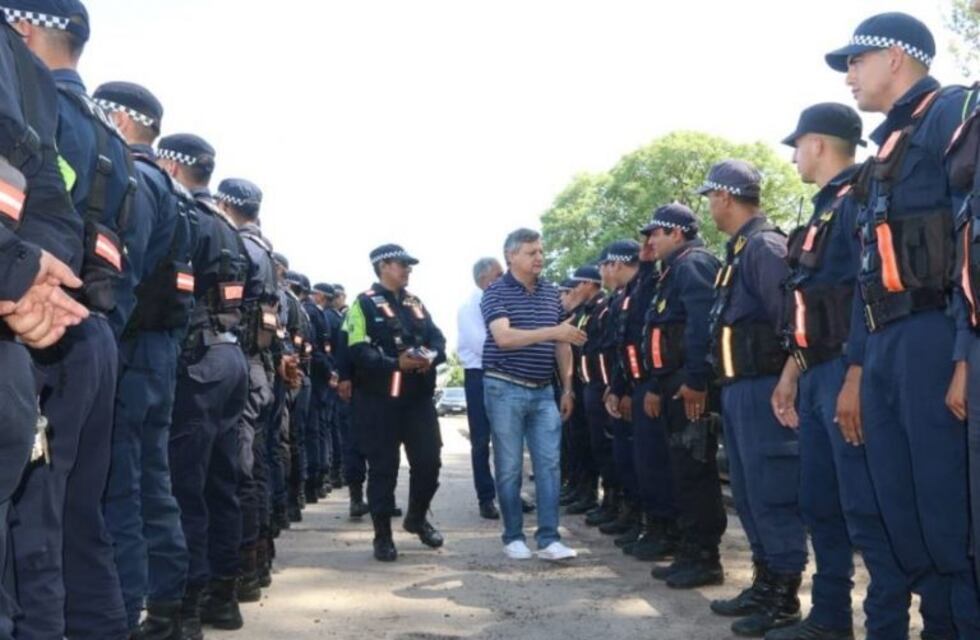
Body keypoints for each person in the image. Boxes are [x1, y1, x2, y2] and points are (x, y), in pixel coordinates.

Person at [827, 12, 980, 636]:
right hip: (885, 346)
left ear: (895, 56)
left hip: (934, 337)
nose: (849, 77)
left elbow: (970, 240)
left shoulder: (952, 112)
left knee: (947, 515)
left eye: (855, 62)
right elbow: (870, 271)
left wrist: (966, 352)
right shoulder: (883, 152)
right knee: (902, 514)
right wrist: (857, 369)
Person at [6, 2, 142, 635]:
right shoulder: (117, 146)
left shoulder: (44, 107)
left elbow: (29, 203)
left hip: (39, 326)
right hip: (93, 327)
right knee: (85, 517)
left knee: (35, 527)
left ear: (23, 27)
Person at [92, 80, 197, 638]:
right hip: (157, 350)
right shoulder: (174, 191)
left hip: (132, 348)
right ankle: (166, 605)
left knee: (124, 485)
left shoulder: (138, 179)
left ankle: (134, 607)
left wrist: (101, 342)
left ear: (122, 119)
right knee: (152, 481)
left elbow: (123, 275)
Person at [0, 14, 90, 635]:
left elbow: (53, 202)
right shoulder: (29, 68)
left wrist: (26, 278)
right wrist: (23, 275)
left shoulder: (25, 68)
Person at [700, 159, 807, 637]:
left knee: (772, 493)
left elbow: (793, 321)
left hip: (766, 389)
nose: (709, 206)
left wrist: (788, 380)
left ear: (725, 196)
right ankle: (765, 583)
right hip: (739, 389)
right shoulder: (740, 249)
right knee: (748, 495)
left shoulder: (764, 246)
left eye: (711, 197)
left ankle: (783, 596)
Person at [158, 133, 250, 635]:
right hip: (229, 357)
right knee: (221, 485)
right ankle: (224, 596)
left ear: (172, 167)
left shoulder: (187, 217)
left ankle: (188, 608)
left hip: (196, 360)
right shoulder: (229, 228)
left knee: (185, 487)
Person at [481, 228, 585, 561]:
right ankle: (513, 536)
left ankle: (549, 539)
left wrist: (567, 387)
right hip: (504, 387)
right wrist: (555, 330)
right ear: (511, 256)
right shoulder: (495, 292)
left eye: (540, 251)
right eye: (531, 252)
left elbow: (562, 343)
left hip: (543, 391)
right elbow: (504, 338)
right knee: (510, 466)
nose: (539, 257)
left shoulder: (551, 293)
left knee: (549, 465)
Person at [641, 203, 727, 590]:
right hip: (674, 384)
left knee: (695, 470)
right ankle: (691, 551)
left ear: (676, 233)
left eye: (655, 234)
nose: (650, 242)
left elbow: (702, 326)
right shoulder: (672, 270)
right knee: (682, 470)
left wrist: (696, 378)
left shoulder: (693, 264)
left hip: (689, 385)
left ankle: (705, 557)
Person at [344, 243, 447, 561]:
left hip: (418, 400)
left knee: (429, 463)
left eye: (408, 265)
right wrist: (394, 364)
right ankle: (383, 536)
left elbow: (438, 339)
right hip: (379, 402)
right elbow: (356, 349)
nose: (408, 270)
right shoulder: (362, 304)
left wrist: (430, 356)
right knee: (383, 470)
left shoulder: (416, 303)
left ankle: (416, 518)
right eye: (402, 264)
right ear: (383, 266)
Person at [214, 177, 280, 603]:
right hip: (258, 367)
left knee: (239, 471)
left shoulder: (239, 247)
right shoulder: (265, 251)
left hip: (240, 360)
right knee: (253, 466)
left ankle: (242, 572)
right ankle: (258, 562)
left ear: (225, 205)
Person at [594, 241, 643, 545]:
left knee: (642, 463)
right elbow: (616, 351)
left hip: (640, 390)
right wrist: (615, 387)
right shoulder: (619, 298)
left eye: (605, 266)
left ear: (617, 264)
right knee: (622, 458)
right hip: (620, 387)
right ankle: (628, 511)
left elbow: (635, 349)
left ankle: (648, 521)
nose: (603, 272)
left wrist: (627, 389)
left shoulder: (640, 293)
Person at [457, 256, 504, 519]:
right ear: (485, 278)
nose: (503, 279)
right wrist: (512, 348)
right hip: (479, 375)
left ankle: (510, 493)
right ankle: (486, 498)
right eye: (499, 275)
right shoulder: (470, 306)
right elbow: (482, 345)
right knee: (481, 441)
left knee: (507, 438)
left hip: (502, 373)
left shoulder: (500, 301)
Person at [561, 265, 602, 517]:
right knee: (577, 442)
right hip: (579, 384)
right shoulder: (583, 313)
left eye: (573, 288)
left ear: (588, 284)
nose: (570, 293)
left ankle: (591, 494)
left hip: (593, 385)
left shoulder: (599, 308)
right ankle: (580, 487)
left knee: (592, 445)